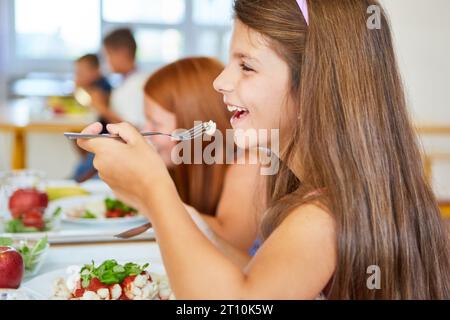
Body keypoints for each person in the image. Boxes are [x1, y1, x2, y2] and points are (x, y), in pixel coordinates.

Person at [78, 0, 450, 299]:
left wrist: (155, 190)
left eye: (247, 66)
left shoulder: (323, 216)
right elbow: (257, 274)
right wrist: (148, 198)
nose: (221, 81)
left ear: (314, 87)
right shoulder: (317, 191)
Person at [143, 57, 264, 257]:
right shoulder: (190, 167)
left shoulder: (250, 163)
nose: (145, 131)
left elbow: (233, 241)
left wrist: (150, 190)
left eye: (155, 123)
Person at [90, 28, 148, 129]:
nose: (106, 61)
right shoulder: (127, 81)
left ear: (122, 53)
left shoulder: (137, 84)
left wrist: (101, 107)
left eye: (108, 54)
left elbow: (134, 128)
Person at [72, 54, 112, 182]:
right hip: (99, 137)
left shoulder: (100, 88)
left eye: (81, 73)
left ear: (96, 71)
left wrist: (78, 87)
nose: (77, 76)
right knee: (81, 170)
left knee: (82, 173)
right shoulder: (94, 86)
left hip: (103, 138)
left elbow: (91, 104)